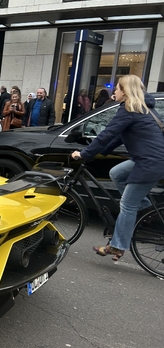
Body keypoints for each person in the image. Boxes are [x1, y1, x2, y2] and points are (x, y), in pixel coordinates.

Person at [70, 75, 164, 261]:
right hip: (152, 160)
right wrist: (100, 151)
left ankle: (117, 246)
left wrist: (85, 154)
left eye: (117, 88)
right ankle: (143, 204)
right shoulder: (145, 110)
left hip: (149, 163)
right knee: (116, 173)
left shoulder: (129, 109)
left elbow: (107, 133)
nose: (114, 92)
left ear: (125, 91)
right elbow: (118, 137)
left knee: (127, 205)